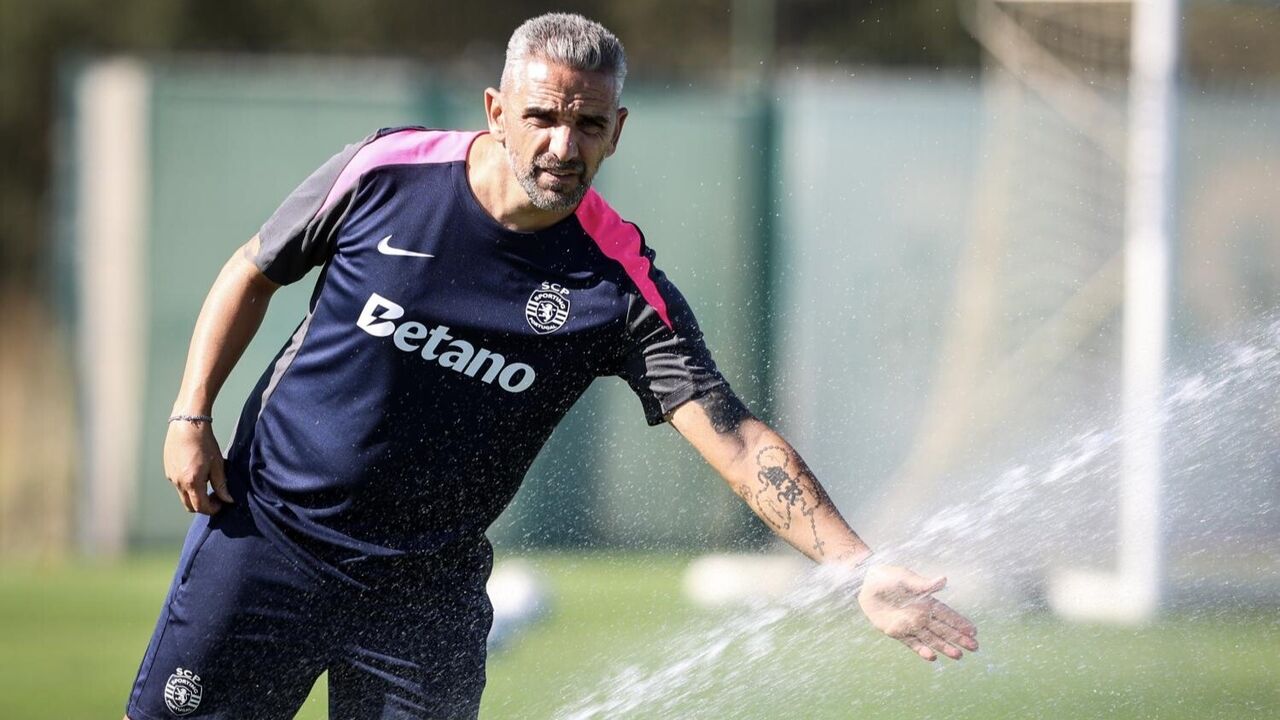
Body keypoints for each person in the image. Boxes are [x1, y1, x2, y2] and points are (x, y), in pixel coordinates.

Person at [125, 12, 977, 720]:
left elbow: (736, 439)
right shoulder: (385, 172)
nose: (564, 146)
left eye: (589, 125)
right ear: (497, 111)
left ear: (618, 132)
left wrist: (857, 568)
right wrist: (190, 415)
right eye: (543, 118)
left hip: (426, 594)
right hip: (270, 540)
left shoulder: (619, 285)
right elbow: (253, 269)